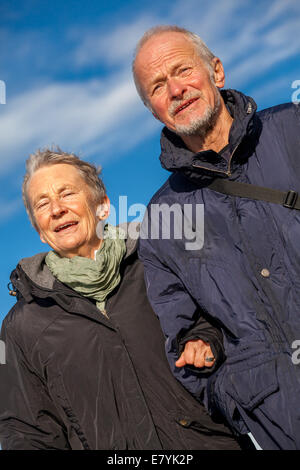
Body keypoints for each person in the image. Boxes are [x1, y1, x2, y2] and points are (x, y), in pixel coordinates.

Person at [0, 148, 242, 450]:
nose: (56, 209)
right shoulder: (23, 326)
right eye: (42, 204)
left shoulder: (160, 262)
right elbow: (27, 433)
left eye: (67, 194)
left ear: (102, 206)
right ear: (39, 230)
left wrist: (208, 342)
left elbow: (226, 321)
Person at [133, 25, 300, 450]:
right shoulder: (160, 221)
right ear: (153, 109)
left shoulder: (293, 130)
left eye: (182, 70)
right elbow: (186, 335)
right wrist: (239, 390)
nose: (175, 89)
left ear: (216, 72)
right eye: (157, 86)